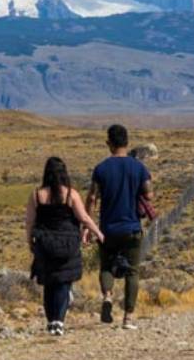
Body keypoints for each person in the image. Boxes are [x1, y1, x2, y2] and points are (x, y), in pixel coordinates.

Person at [26, 156, 104, 336]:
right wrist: (98, 233)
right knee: (63, 283)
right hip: (68, 244)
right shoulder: (71, 194)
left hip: (45, 244)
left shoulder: (37, 195)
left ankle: (51, 321)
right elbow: (83, 217)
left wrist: (30, 242)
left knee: (49, 283)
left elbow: (29, 222)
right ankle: (59, 321)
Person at [86, 124, 153, 330]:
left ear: (109, 143)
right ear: (127, 142)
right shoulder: (139, 168)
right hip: (132, 227)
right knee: (132, 271)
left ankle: (107, 296)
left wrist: (88, 224)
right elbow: (149, 195)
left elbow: (92, 198)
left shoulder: (101, 169)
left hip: (108, 228)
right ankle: (128, 318)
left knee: (106, 266)